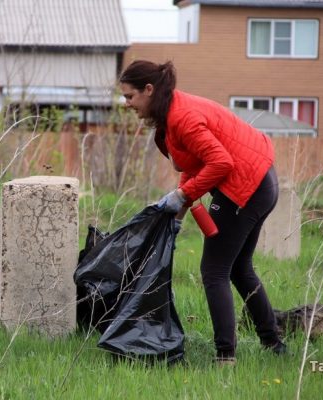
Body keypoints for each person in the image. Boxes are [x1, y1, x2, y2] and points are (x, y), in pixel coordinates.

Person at [119, 59, 286, 365]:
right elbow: (196, 165)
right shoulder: (173, 111)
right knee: (239, 268)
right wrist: (178, 214)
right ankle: (273, 343)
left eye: (130, 96)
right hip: (262, 180)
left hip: (245, 187)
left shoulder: (182, 117)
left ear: (148, 89)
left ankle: (225, 356)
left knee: (214, 271)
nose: (127, 103)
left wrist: (182, 195)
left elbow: (221, 163)